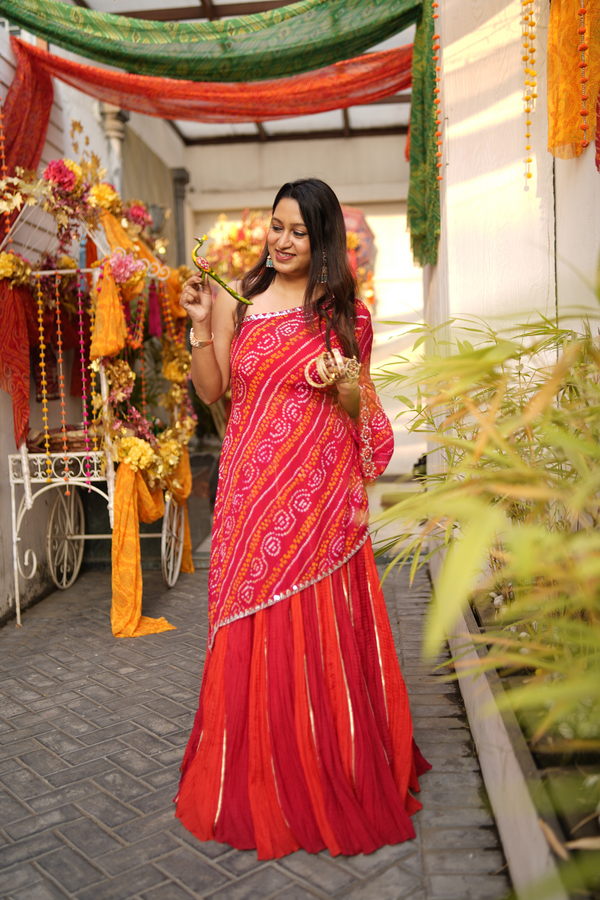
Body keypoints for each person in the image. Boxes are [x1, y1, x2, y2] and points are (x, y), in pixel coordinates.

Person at [176, 178, 430, 860]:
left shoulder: (349, 317)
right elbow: (212, 390)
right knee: (249, 621)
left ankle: (326, 764)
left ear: (324, 243)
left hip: (317, 500)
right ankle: (254, 766)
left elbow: (368, 425)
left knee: (314, 628)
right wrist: (201, 325)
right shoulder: (243, 301)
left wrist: (343, 384)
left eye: (297, 231)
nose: (281, 241)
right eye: (275, 227)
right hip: (251, 493)